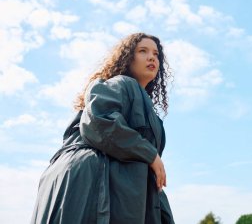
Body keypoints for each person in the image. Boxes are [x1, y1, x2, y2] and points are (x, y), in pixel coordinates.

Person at [31, 33, 175, 224]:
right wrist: (149, 154)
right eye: (143, 51)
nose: (151, 57)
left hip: (130, 189)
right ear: (127, 58)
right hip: (92, 181)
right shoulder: (118, 84)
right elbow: (100, 121)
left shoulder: (150, 111)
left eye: (156, 54)